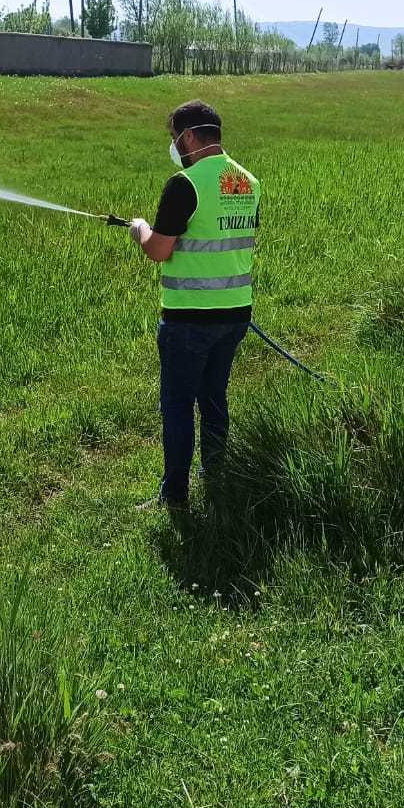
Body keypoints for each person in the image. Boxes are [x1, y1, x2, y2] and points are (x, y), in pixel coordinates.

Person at [126, 100, 260, 508]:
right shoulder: (248, 182)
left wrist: (140, 230)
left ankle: (175, 497)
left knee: (179, 406)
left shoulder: (185, 184)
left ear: (188, 137)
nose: (174, 147)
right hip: (235, 313)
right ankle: (216, 478)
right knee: (215, 399)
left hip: (189, 320)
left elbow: (159, 250)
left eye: (174, 139)